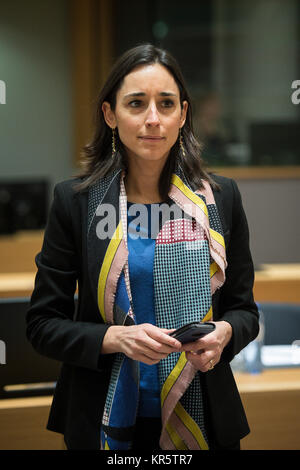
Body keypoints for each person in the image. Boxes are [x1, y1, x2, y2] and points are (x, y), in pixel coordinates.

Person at [26, 44, 259, 451]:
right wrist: (116, 339)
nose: (153, 119)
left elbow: (244, 311)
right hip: (103, 415)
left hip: (205, 413)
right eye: (136, 103)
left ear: (183, 114)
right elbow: (43, 325)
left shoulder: (220, 199)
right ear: (110, 114)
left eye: (166, 104)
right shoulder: (76, 203)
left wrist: (224, 334)